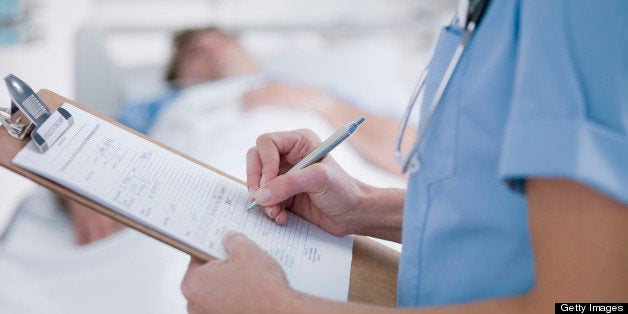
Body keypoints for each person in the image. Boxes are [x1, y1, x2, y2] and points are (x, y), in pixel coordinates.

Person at [180, 1, 628, 313]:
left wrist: (281, 309)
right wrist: (366, 206)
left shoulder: (576, 11)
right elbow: (514, 219)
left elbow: (592, 304)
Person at [67, 27, 409, 244]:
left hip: (332, 204)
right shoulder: (163, 104)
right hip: (186, 203)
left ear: (248, 53)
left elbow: (411, 152)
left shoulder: (309, 90)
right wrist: (76, 187)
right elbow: (86, 140)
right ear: (179, 74)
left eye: (222, 40)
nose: (211, 48)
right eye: (195, 51)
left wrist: (320, 103)